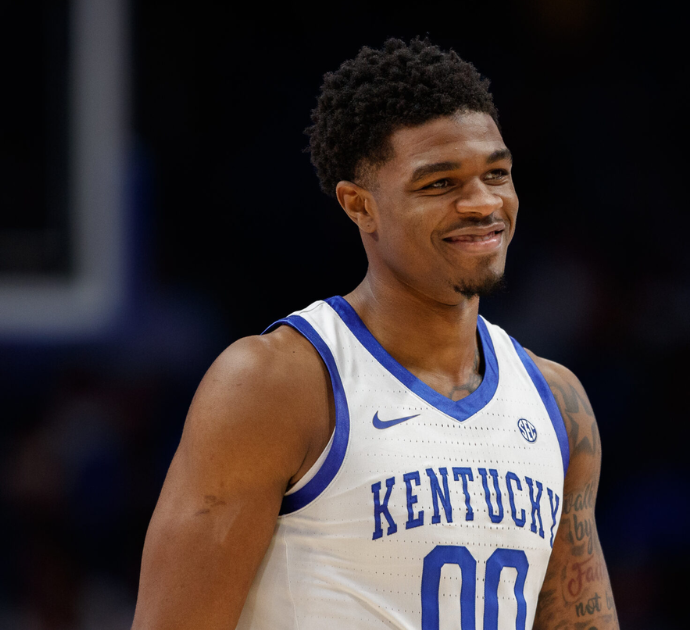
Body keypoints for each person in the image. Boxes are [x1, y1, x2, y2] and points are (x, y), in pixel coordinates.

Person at [133, 37, 618, 630]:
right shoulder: (275, 384)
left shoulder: (558, 403)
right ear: (359, 205)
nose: (481, 202)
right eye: (440, 184)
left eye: (497, 174)